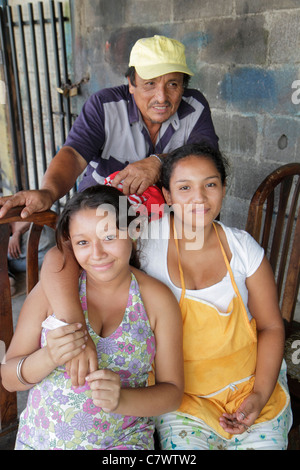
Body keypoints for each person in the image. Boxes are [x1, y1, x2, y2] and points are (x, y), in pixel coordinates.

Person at [1, 185, 183, 450]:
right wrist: (49, 357)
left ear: (134, 231)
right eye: (83, 242)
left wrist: (122, 399)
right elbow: (8, 378)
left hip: (122, 443)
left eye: (109, 237)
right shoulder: (54, 292)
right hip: (41, 440)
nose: (96, 254)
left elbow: (173, 393)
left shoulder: (156, 300)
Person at [138, 143, 292, 450]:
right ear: (167, 196)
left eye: (210, 184)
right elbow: (79, 248)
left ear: (222, 188)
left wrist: (259, 396)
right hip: (184, 400)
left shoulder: (243, 249)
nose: (199, 197)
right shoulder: (144, 244)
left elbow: (271, 327)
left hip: (251, 388)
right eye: (184, 188)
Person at [0, 35, 218, 220]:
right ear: (131, 83)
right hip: (100, 216)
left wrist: (160, 162)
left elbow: (208, 161)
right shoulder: (104, 105)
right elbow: (74, 155)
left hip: (163, 224)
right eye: (150, 83)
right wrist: (48, 192)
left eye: (172, 84)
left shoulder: (195, 107)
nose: (161, 97)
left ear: (183, 86)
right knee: (61, 260)